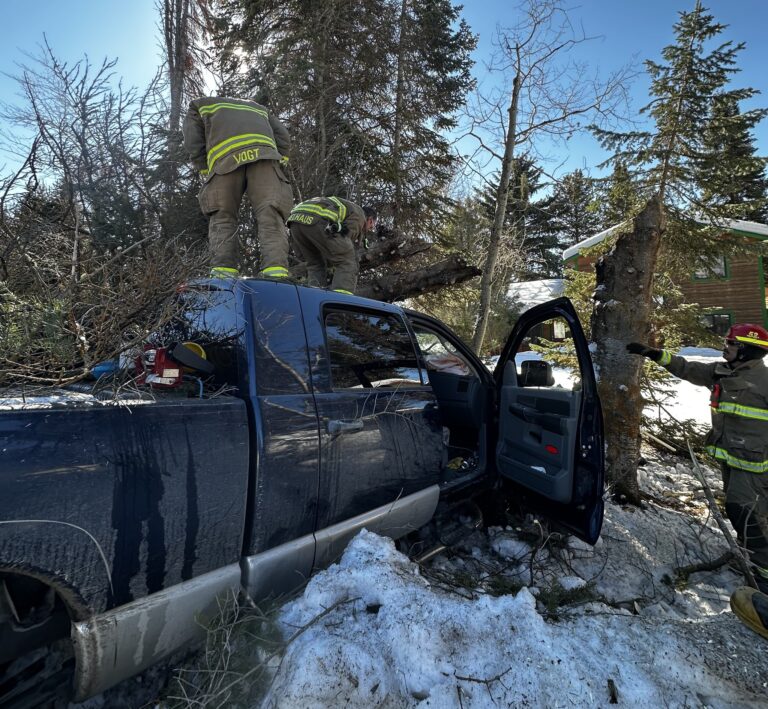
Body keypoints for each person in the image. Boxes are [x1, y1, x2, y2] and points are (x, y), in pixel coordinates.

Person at [627, 324, 768, 594]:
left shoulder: (764, 381)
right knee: (745, 515)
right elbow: (687, 368)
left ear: (747, 350)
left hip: (755, 468)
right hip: (732, 461)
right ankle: (751, 560)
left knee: (746, 514)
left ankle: (764, 580)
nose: (725, 347)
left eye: (731, 343)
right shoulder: (721, 372)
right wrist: (654, 354)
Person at [182, 96, 293, 279]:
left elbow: (192, 138)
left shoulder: (200, 105)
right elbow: (283, 136)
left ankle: (223, 274)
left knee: (223, 216)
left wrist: (203, 166)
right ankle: (276, 272)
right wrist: (280, 160)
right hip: (264, 157)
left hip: (224, 160)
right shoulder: (260, 109)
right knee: (270, 213)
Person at [287, 197, 377, 294]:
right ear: (370, 220)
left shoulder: (348, 207)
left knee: (315, 264)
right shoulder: (360, 214)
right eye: (372, 226)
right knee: (348, 260)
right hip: (317, 220)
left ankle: (315, 293)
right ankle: (341, 297)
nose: (370, 229)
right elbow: (345, 241)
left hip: (295, 222)